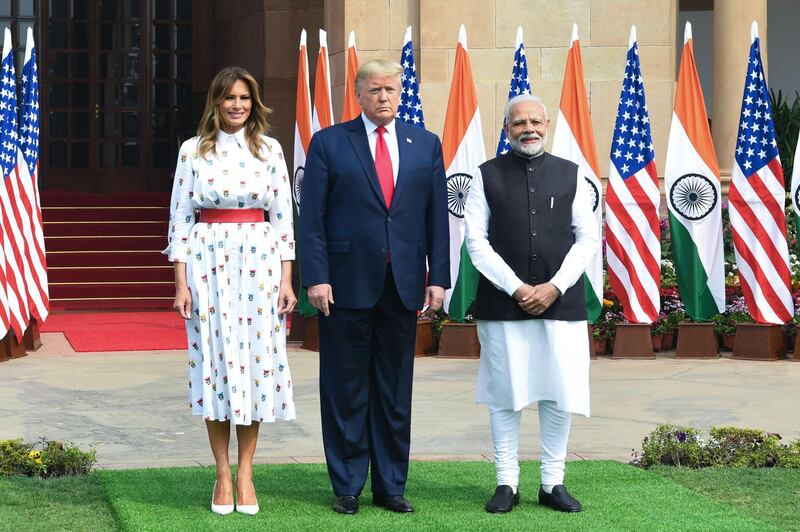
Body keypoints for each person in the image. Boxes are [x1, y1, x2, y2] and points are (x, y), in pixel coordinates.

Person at [299, 59, 449, 515]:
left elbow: (436, 218)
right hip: (344, 285)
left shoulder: (424, 144)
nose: (384, 97)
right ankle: (347, 485)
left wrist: (438, 277)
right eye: (375, 90)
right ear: (359, 95)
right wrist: (316, 276)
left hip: (402, 285)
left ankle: (390, 486)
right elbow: (312, 219)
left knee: (393, 387)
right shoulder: (329, 143)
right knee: (345, 386)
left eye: (391, 90)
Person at [165, 66, 297, 516]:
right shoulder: (192, 151)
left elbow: (283, 217)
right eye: (229, 98)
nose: (237, 105)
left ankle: (246, 471)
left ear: (253, 102)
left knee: (255, 366)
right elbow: (180, 219)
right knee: (217, 365)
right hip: (208, 264)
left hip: (259, 262)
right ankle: (221, 472)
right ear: (216, 103)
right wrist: (180, 282)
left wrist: (286, 278)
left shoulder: (270, 149)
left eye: (244, 98)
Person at [464, 93, 598, 514]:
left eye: (536, 122)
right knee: (506, 392)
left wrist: (555, 286)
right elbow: (475, 242)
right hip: (504, 303)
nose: (529, 129)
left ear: (547, 125)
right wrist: (517, 287)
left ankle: (552, 482)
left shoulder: (572, 174)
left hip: (563, 303)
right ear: (507, 129)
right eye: (519, 123)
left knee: (559, 392)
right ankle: (506, 482)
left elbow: (588, 238)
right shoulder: (485, 176)